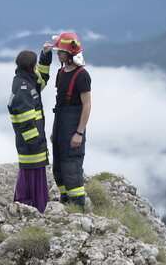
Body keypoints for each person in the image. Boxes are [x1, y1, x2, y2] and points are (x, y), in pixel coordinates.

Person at [7, 47, 52, 213]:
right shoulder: (23, 88)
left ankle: (34, 207)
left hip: (32, 144)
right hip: (31, 145)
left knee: (34, 175)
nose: (36, 69)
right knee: (32, 178)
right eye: (35, 66)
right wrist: (36, 142)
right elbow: (25, 121)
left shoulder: (27, 80)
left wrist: (45, 57)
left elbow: (42, 80)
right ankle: (33, 209)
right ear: (30, 67)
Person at [50, 32, 92, 209]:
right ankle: (65, 201)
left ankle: (78, 208)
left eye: (60, 51)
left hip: (73, 127)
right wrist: (54, 131)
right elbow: (60, 104)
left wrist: (79, 133)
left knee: (71, 168)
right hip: (60, 124)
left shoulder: (82, 75)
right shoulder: (61, 72)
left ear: (70, 54)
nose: (58, 54)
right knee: (58, 167)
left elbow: (87, 105)